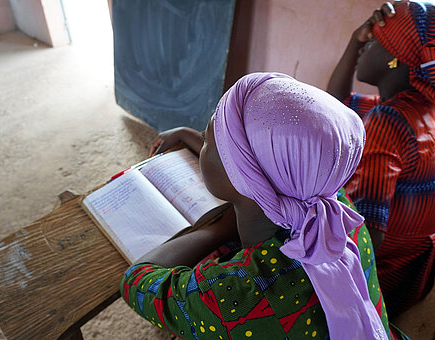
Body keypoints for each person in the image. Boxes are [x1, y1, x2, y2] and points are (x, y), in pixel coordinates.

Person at [121, 73, 409, 339]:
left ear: (246, 180)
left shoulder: (236, 293)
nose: (204, 141)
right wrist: (186, 134)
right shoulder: (332, 207)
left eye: (209, 138)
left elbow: (136, 282)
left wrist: (218, 232)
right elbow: (253, 165)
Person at [327, 1, 435, 317]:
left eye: (374, 40)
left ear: (394, 61)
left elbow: (365, 237)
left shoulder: (387, 122)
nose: (365, 45)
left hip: (382, 286)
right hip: (415, 274)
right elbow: (339, 107)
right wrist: (354, 40)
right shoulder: (426, 105)